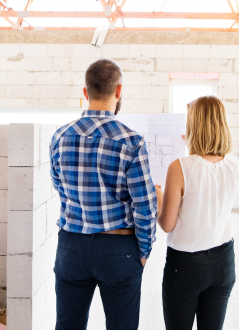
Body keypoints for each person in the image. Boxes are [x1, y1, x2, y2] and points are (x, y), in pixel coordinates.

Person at [49, 59, 158, 330]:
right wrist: (144, 250)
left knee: (67, 326)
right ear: (118, 91)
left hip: (71, 246)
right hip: (119, 248)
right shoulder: (132, 141)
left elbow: (59, 186)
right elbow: (145, 206)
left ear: (86, 93)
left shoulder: (60, 136)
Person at [155, 95, 239, 330]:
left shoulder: (179, 167)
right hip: (224, 261)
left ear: (195, 125)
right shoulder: (234, 165)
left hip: (186, 265)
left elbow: (167, 224)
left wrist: (156, 194)